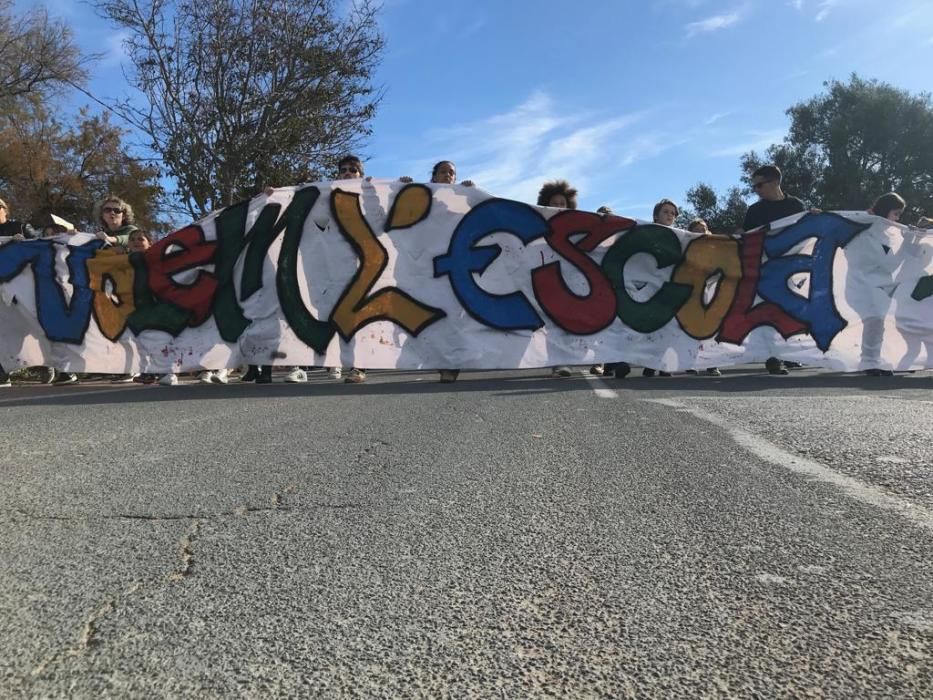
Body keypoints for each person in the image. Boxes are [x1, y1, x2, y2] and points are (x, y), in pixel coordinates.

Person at [741, 165, 810, 376]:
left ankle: (789, 354)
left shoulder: (796, 205)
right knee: (768, 312)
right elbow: (747, 240)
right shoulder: (754, 211)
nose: (756, 190)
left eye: (759, 185)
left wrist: (814, 218)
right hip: (765, 270)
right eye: (754, 186)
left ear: (775, 182)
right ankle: (773, 358)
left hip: (793, 269)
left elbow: (808, 233)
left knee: (791, 311)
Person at [537, 180, 578, 378]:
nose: (559, 206)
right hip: (546, 279)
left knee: (568, 321)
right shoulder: (537, 224)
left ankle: (565, 361)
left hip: (570, 280)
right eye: (555, 202)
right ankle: (556, 360)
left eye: (562, 203)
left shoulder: (578, 226)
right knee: (551, 323)